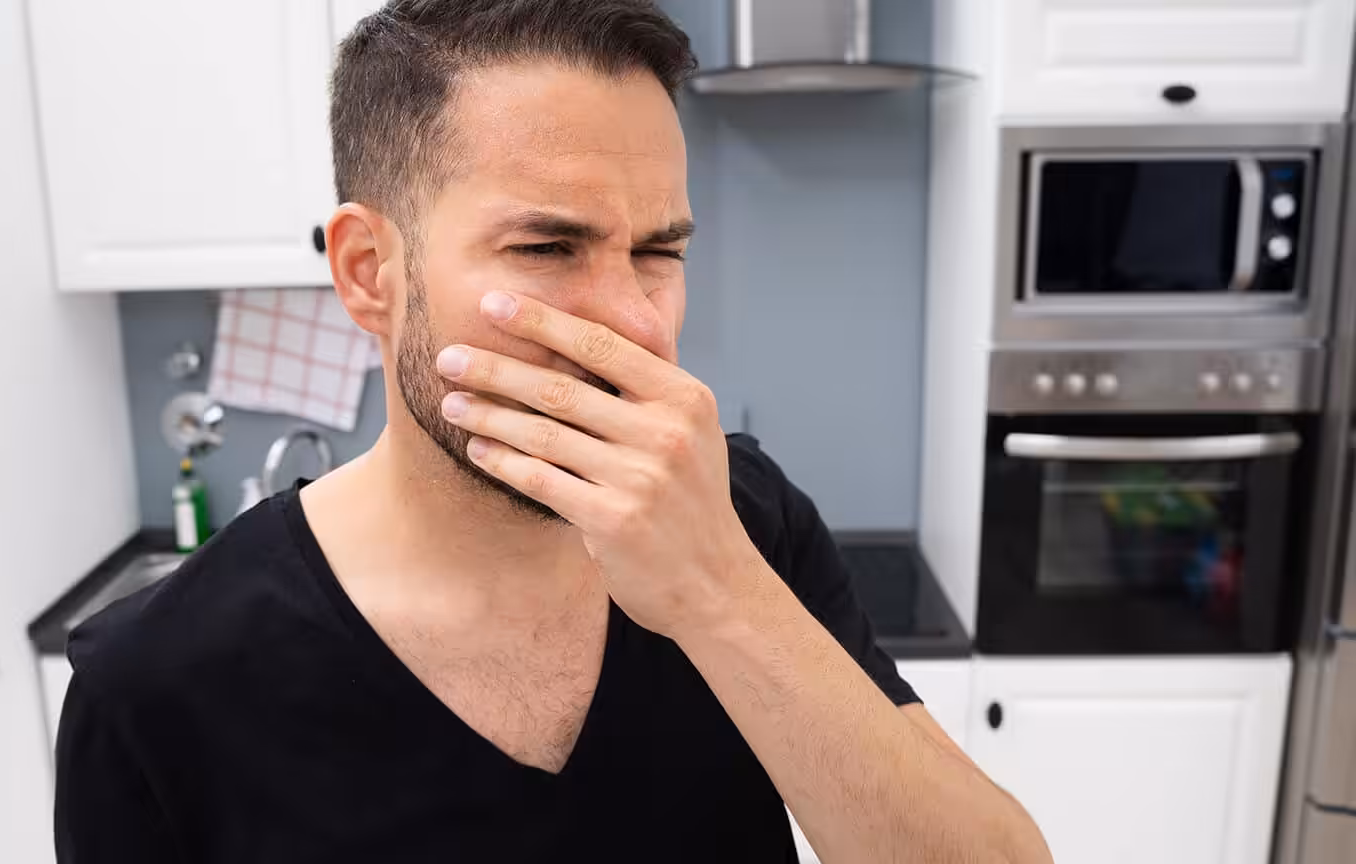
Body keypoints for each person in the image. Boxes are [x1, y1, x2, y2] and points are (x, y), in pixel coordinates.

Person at [54, 1, 1053, 861]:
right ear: (368, 272)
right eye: (545, 245)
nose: (638, 322)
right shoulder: (151, 690)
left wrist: (718, 594)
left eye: (659, 252)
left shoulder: (744, 520)